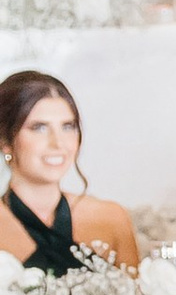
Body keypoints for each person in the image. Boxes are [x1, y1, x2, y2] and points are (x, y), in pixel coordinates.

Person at [0, 72, 139, 274]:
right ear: (5, 141)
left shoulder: (111, 219)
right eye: (39, 128)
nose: (58, 143)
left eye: (68, 126)